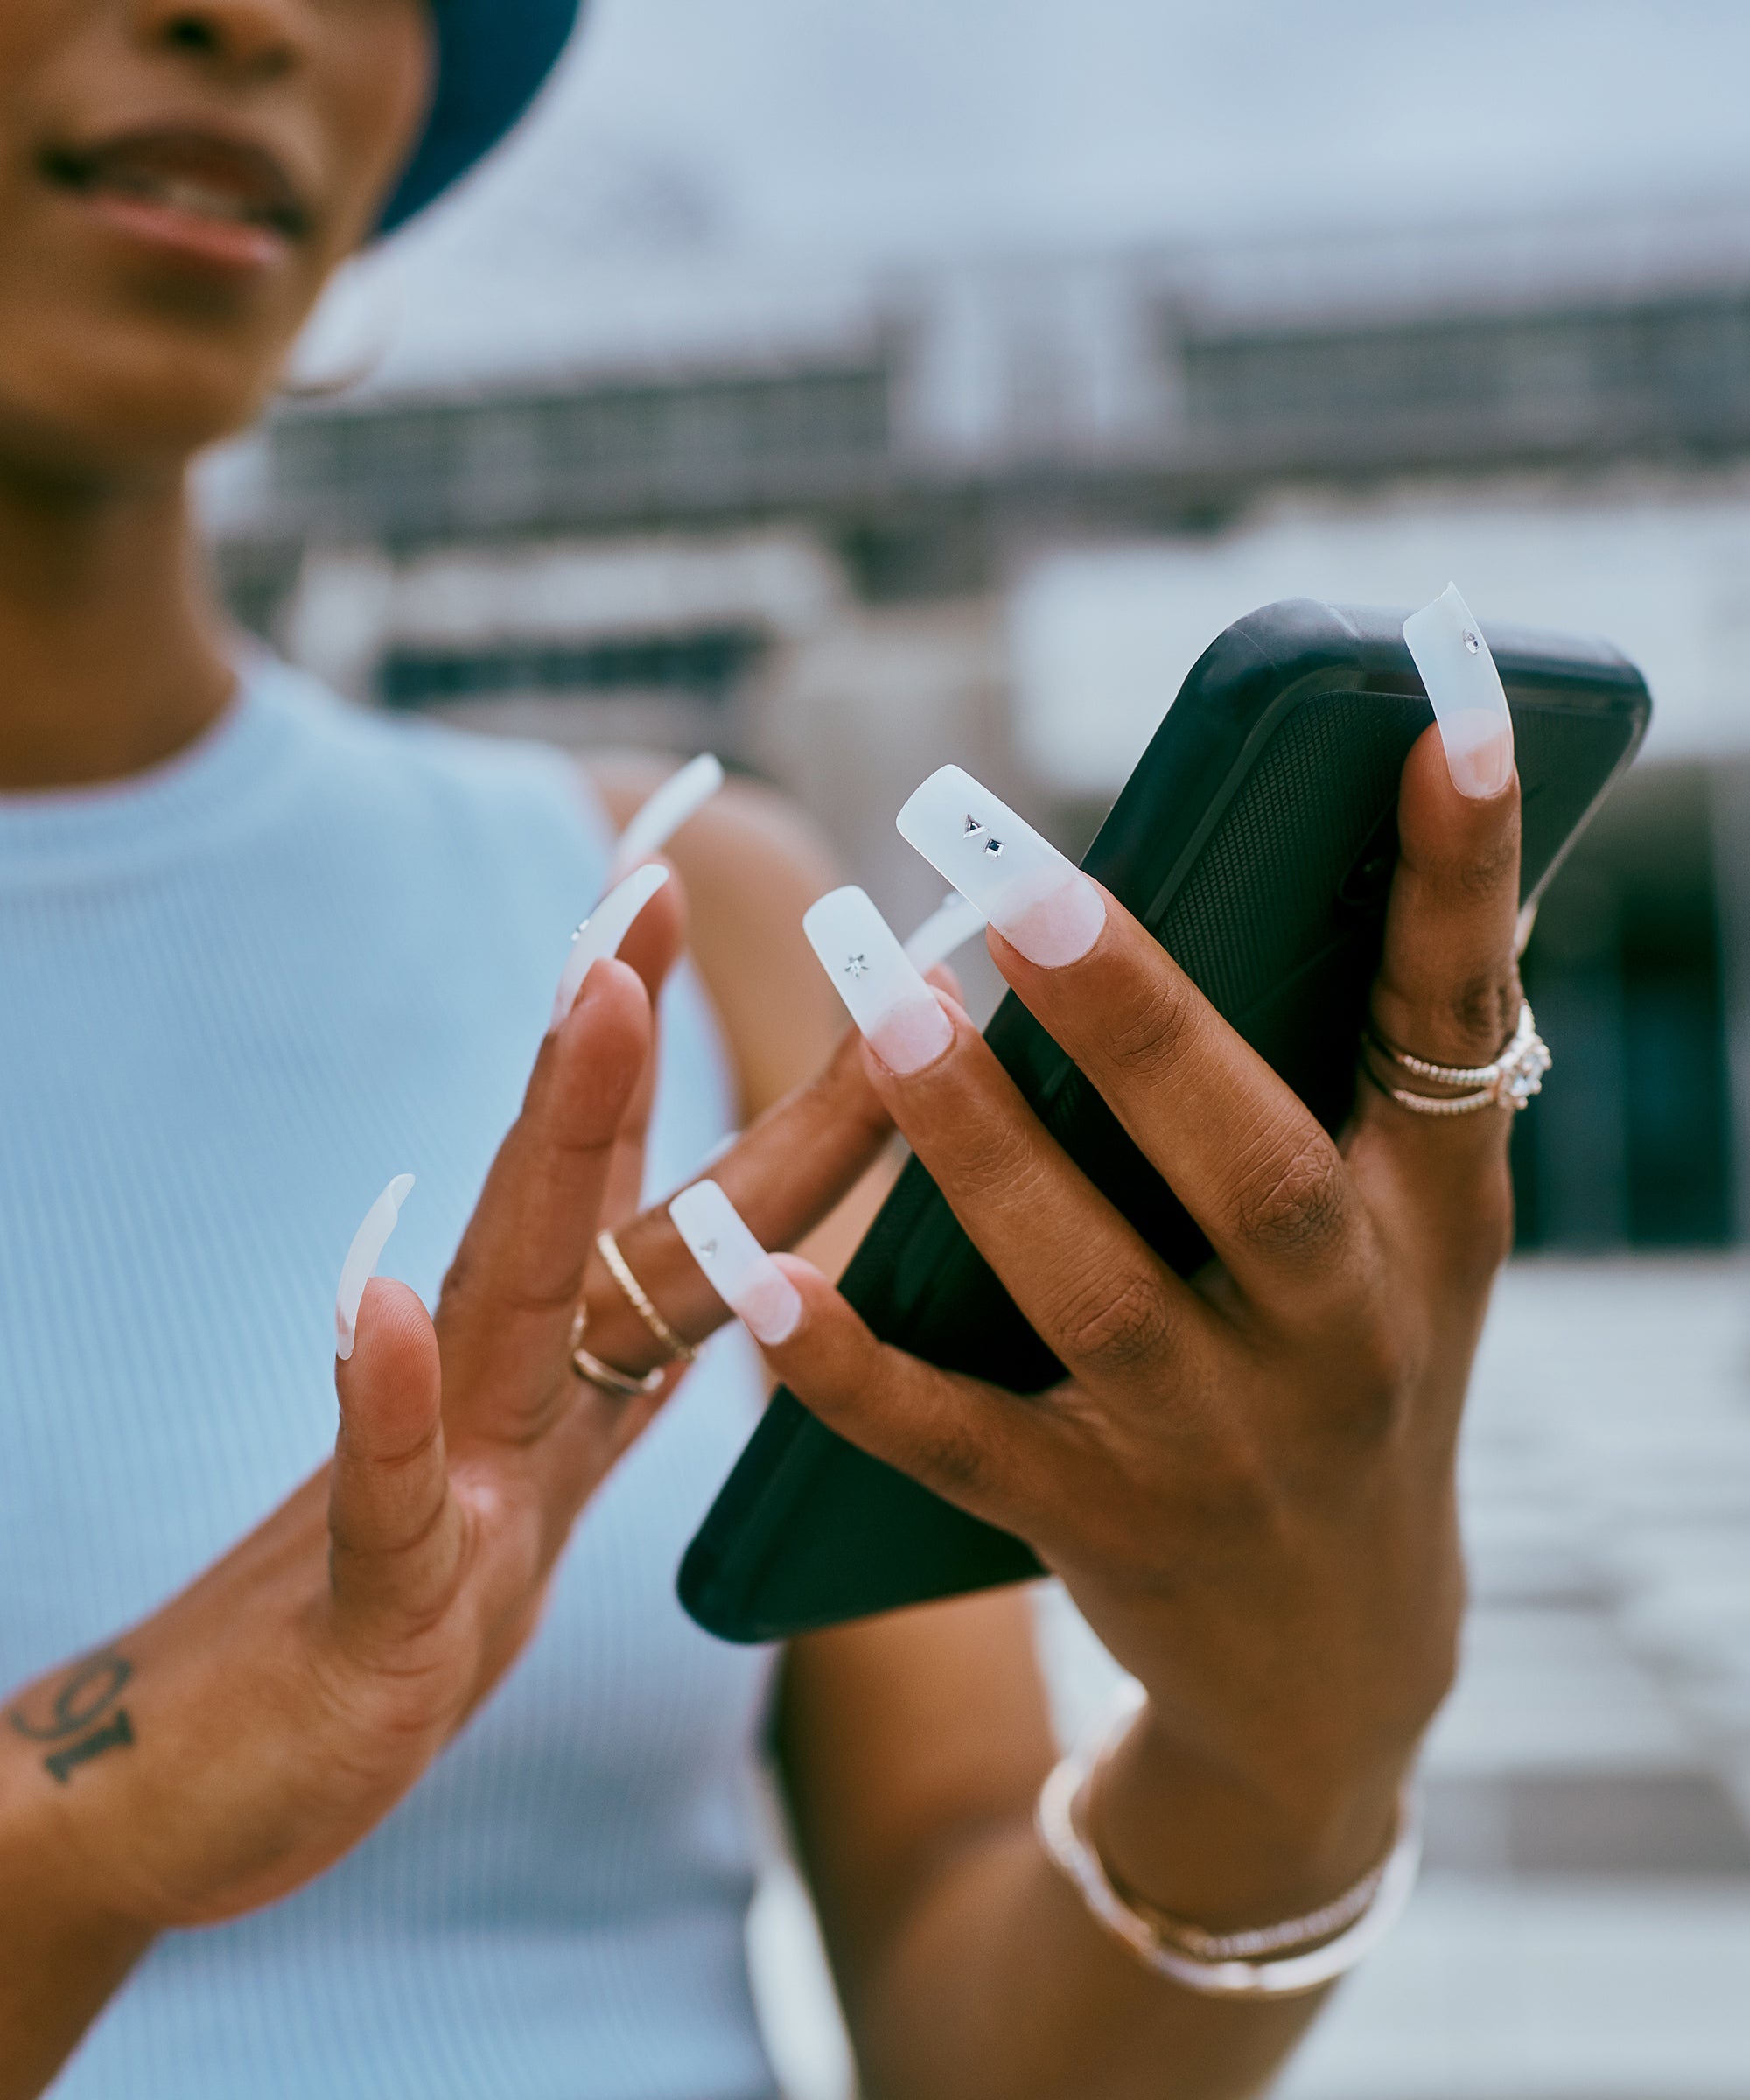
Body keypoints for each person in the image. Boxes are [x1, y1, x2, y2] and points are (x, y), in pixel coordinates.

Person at [0, 4, 1532, 2097]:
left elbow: (966, 2000)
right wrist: (75, 1823)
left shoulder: (678, 916)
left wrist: (1294, 1760)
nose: (255, 18)